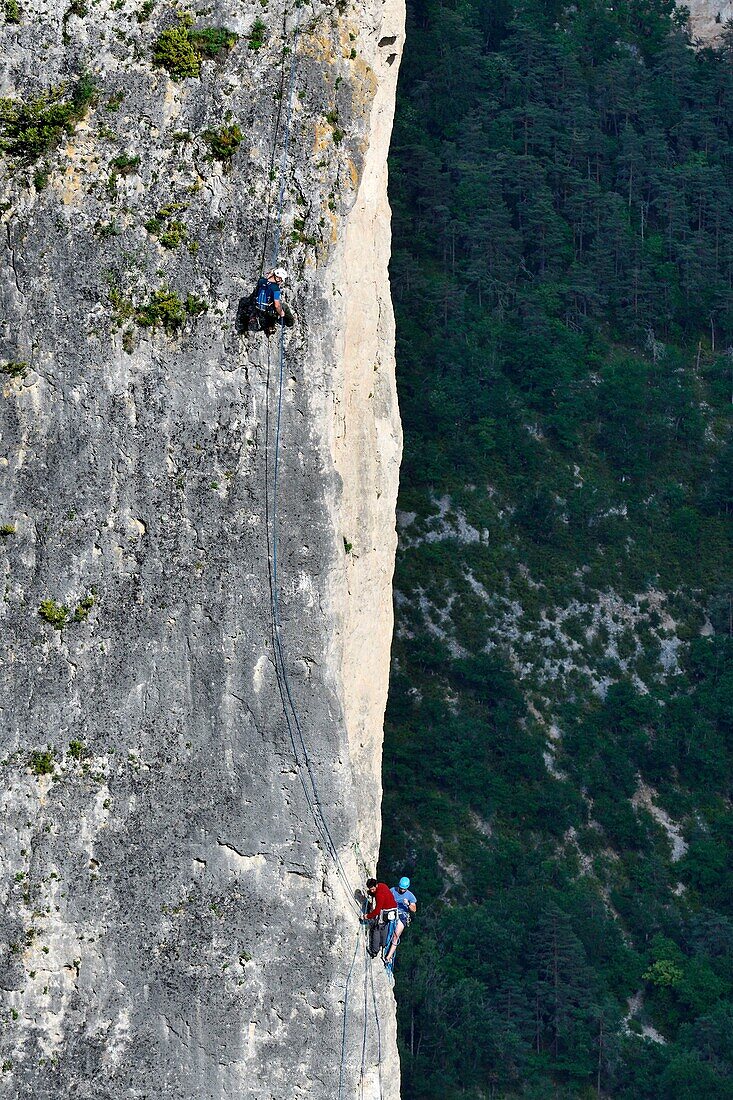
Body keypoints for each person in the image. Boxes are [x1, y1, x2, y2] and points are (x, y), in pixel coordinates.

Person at [246, 267, 294, 335]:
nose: (281, 282)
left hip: (258, 309)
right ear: (278, 278)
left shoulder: (261, 281)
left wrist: (271, 274)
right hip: (267, 312)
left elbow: (266, 281)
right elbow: (277, 305)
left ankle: (269, 324)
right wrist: (281, 313)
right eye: (281, 280)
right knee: (284, 307)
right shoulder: (275, 289)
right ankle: (289, 323)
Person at [384, 876, 417, 966]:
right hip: (392, 910)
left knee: (396, 936)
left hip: (402, 915)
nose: (402, 890)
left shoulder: (410, 896)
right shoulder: (392, 890)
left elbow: (414, 909)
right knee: (384, 926)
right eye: (401, 888)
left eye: (404, 889)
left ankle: (388, 957)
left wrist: (408, 904)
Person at [363, 878, 398, 959]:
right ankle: (383, 944)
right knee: (384, 926)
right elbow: (382, 894)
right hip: (393, 910)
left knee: (376, 928)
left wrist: (367, 916)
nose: (371, 891)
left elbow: (377, 911)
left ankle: (374, 951)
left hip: (385, 912)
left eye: (372, 889)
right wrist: (372, 894)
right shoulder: (382, 885)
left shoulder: (379, 895)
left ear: (375, 886)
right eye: (370, 889)